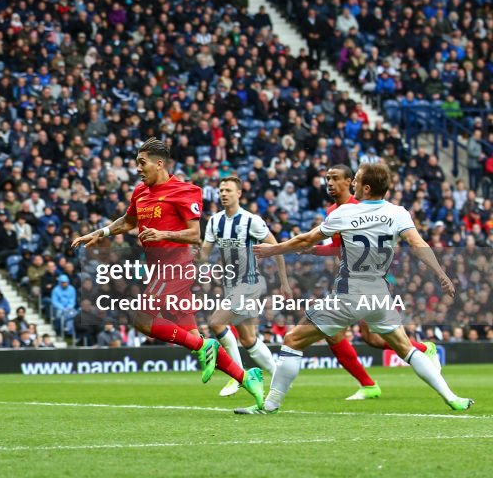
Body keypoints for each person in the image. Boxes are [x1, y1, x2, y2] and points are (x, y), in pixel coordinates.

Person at [238, 163, 473, 414]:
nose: (353, 184)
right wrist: (440, 273)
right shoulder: (398, 213)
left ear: (366, 187)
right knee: (406, 348)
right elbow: (418, 244)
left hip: (349, 294)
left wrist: (274, 249)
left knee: (292, 340)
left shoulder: (345, 213)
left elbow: (306, 239)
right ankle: (451, 397)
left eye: (357, 180)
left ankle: (270, 404)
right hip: (379, 296)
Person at [72, 138, 264, 408]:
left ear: (159, 163)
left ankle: (205, 348)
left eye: (142, 162)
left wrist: (162, 233)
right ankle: (249, 379)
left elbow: (194, 234)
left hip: (176, 268)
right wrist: (99, 232)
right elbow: (128, 221)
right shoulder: (140, 192)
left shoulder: (185, 191)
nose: (138, 168)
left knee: (141, 319)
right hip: (157, 270)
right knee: (194, 338)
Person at [306, 165, 438, 400]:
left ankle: (413, 355)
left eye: (336, 179)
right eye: (327, 179)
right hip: (349, 280)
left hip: (371, 280)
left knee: (354, 335)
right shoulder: (333, 210)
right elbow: (340, 249)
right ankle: (379, 378)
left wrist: (313, 249)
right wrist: (315, 250)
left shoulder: (362, 208)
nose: (330, 183)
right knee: (369, 338)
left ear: (350, 182)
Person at [200, 176, 290, 397]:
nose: (223, 194)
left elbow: (277, 248)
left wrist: (284, 282)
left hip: (249, 283)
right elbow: (204, 254)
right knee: (248, 338)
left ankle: (237, 376)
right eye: (221, 190)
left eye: (228, 190)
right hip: (230, 285)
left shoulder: (251, 221)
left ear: (239, 194)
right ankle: (279, 378)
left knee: (216, 322)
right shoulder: (214, 221)